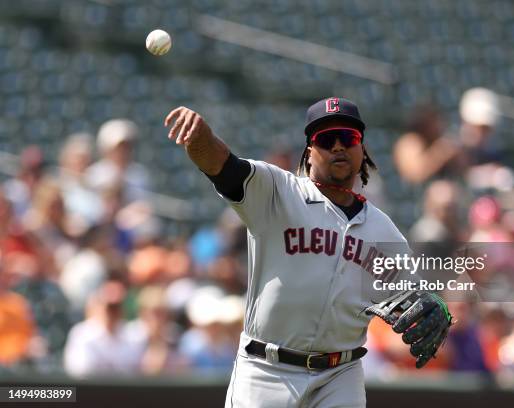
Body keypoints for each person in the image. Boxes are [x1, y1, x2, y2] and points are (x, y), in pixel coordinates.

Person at [164, 97, 451, 407]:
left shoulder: (384, 231)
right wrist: (200, 138)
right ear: (310, 151)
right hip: (267, 369)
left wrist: (441, 310)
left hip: (340, 376)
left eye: (349, 138)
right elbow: (221, 164)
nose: (339, 146)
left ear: (362, 149)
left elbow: (421, 297)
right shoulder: (276, 192)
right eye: (327, 139)